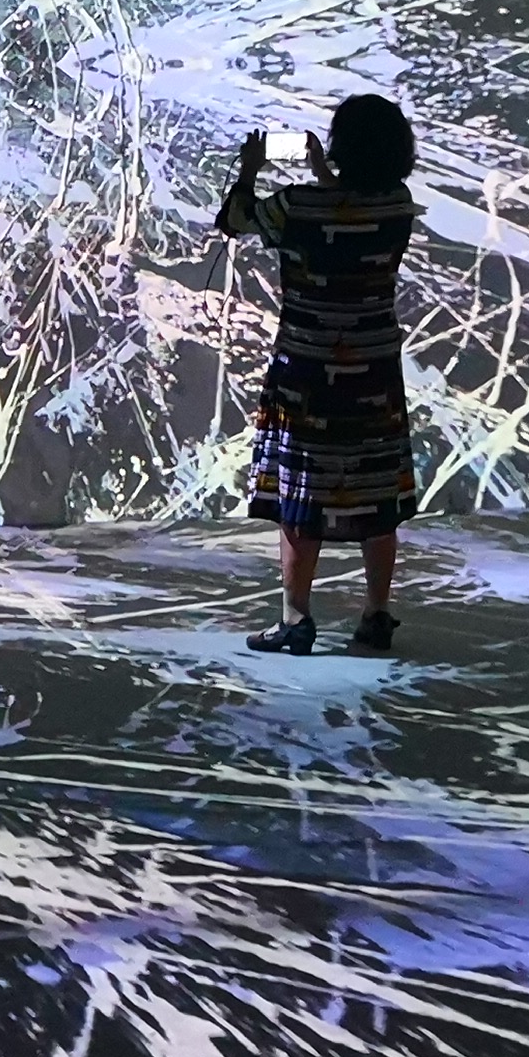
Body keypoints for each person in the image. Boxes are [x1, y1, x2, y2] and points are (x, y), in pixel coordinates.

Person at [214, 92, 418, 655]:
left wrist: (250, 169)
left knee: (300, 496)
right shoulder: (397, 205)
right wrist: (327, 175)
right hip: (374, 375)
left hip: (306, 375)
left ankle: (296, 619)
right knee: (376, 494)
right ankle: (376, 613)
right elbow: (351, 207)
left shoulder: (295, 206)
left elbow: (234, 221)